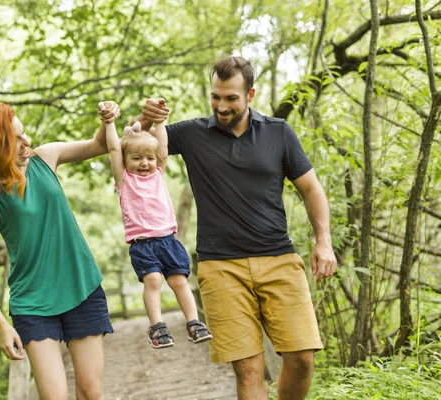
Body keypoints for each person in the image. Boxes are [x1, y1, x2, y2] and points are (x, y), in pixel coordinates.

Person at [133, 57, 337, 400]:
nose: (221, 106)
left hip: (279, 259)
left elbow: (312, 189)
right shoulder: (193, 133)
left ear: (250, 94)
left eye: (231, 98)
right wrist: (146, 116)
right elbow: (135, 142)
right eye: (216, 97)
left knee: (302, 357)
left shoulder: (278, 132)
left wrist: (324, 241)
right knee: (249, 369)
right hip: (221, 267)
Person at [0, 101, 119, 400]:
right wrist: (0, 323)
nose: (27, 143)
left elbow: (99, 144)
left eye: (25, 134)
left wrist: (108, 118)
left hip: (81, 287)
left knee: (92, 392)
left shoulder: (45, 157)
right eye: (15, 139)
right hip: (33, 305)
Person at [101, 101, 212, 349]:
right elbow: (112, 149)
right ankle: (157, 326)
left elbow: (162, 146)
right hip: (143, 244)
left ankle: (194, 322)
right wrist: (109, 123)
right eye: (137, 158)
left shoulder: (158, 174)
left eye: (149, 158)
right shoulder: (124, 180)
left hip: (168, 240)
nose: (144, 163)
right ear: (126, 160)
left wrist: (160, 122)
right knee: (152, 281)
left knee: (179, 281)